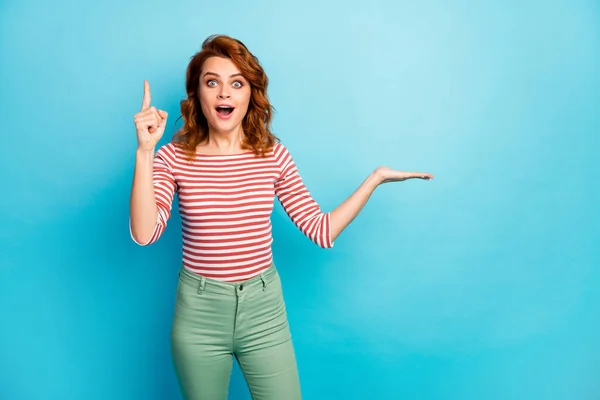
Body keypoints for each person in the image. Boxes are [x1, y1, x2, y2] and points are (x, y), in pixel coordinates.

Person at [129, 34, 433, 400]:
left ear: (249, 95)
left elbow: (321, 231)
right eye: (213, 82)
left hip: (264, 312)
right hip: (199, 315)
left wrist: (375, 178)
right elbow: (145, 234)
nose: (224, 93)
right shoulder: (174, 157)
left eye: (236, 83)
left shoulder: (272, 155)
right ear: (197, 95)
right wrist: (146, 152)